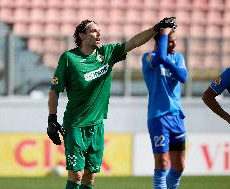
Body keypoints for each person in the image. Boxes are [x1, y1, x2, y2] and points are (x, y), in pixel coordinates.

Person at [47, 18, 177, 189]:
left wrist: (156, 28)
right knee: (76, 174)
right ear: (82, 35)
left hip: (97, 124)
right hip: (75, 125)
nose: (98, 33)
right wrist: (52, 118)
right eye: (93, 31)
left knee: (89, 176)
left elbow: (133, 42)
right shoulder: (69, 58)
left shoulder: (107, 53)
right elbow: (54, 90)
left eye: (99, 30)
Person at [141, 26, 188, 189]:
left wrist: (167, 55)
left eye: (174, 41)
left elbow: (183, 77)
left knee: (179, 166)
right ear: (161, 41)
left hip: (176, 117)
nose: (174, 45)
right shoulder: (148, 58)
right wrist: (164, 34)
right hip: (158, 117)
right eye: (170, 41)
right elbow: (159, 57)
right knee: (162, 163)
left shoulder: (178, 58)